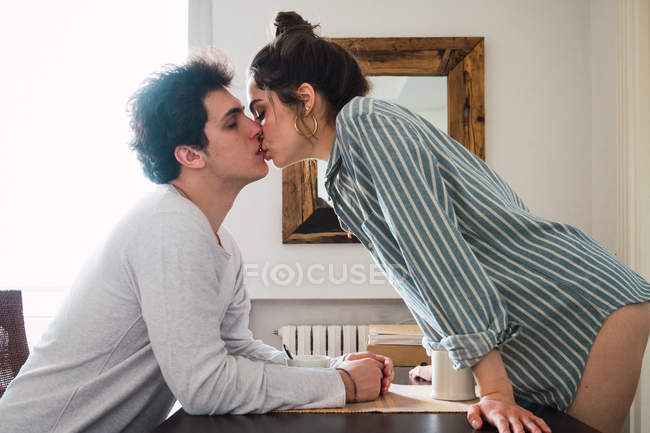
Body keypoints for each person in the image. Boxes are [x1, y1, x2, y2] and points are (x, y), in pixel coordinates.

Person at [247, 11, 650, 433]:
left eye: (261, 111)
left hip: (584, 306)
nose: (257, 130)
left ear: (305, 99)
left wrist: (493, 388)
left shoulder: (367, 125)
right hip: (555, 315)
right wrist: (448, 361)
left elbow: (437, 257)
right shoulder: (342, 173)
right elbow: (416, 273)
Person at [0, 55, 394, 433]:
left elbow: (236, 349)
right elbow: (206, 387)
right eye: (231, 122)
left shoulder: (217, 239)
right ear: (190, 155)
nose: (256, 127)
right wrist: (341, 384)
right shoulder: (169, 226)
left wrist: (327, 367)